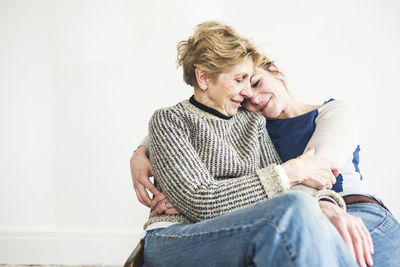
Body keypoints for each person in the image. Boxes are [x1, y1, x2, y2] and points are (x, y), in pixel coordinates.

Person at [132, 41, 400, 266]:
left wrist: (325, 208)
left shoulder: (331, 112)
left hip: (349, 207)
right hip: (288, 214)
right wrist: (142, 152)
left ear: (276, 71)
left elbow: (315, 169)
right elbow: (195, 116)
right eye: (244, 97)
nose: (254, 99)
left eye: (257, 83)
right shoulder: (252, 126)